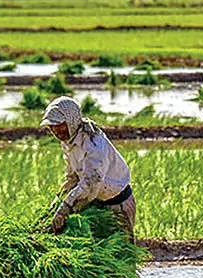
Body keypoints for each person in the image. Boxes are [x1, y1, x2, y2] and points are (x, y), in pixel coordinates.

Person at [41, 96, 136, 241]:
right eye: (51, 126)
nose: (55, 130)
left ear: (71, 121)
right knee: (98, 253)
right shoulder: (68, 142)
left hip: (118, 205)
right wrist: (57, 202)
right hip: (96, 203)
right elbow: (72, 177)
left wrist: (66, 206)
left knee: (122, 253)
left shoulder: (93, 143)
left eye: (59, 124)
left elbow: (91, 181)